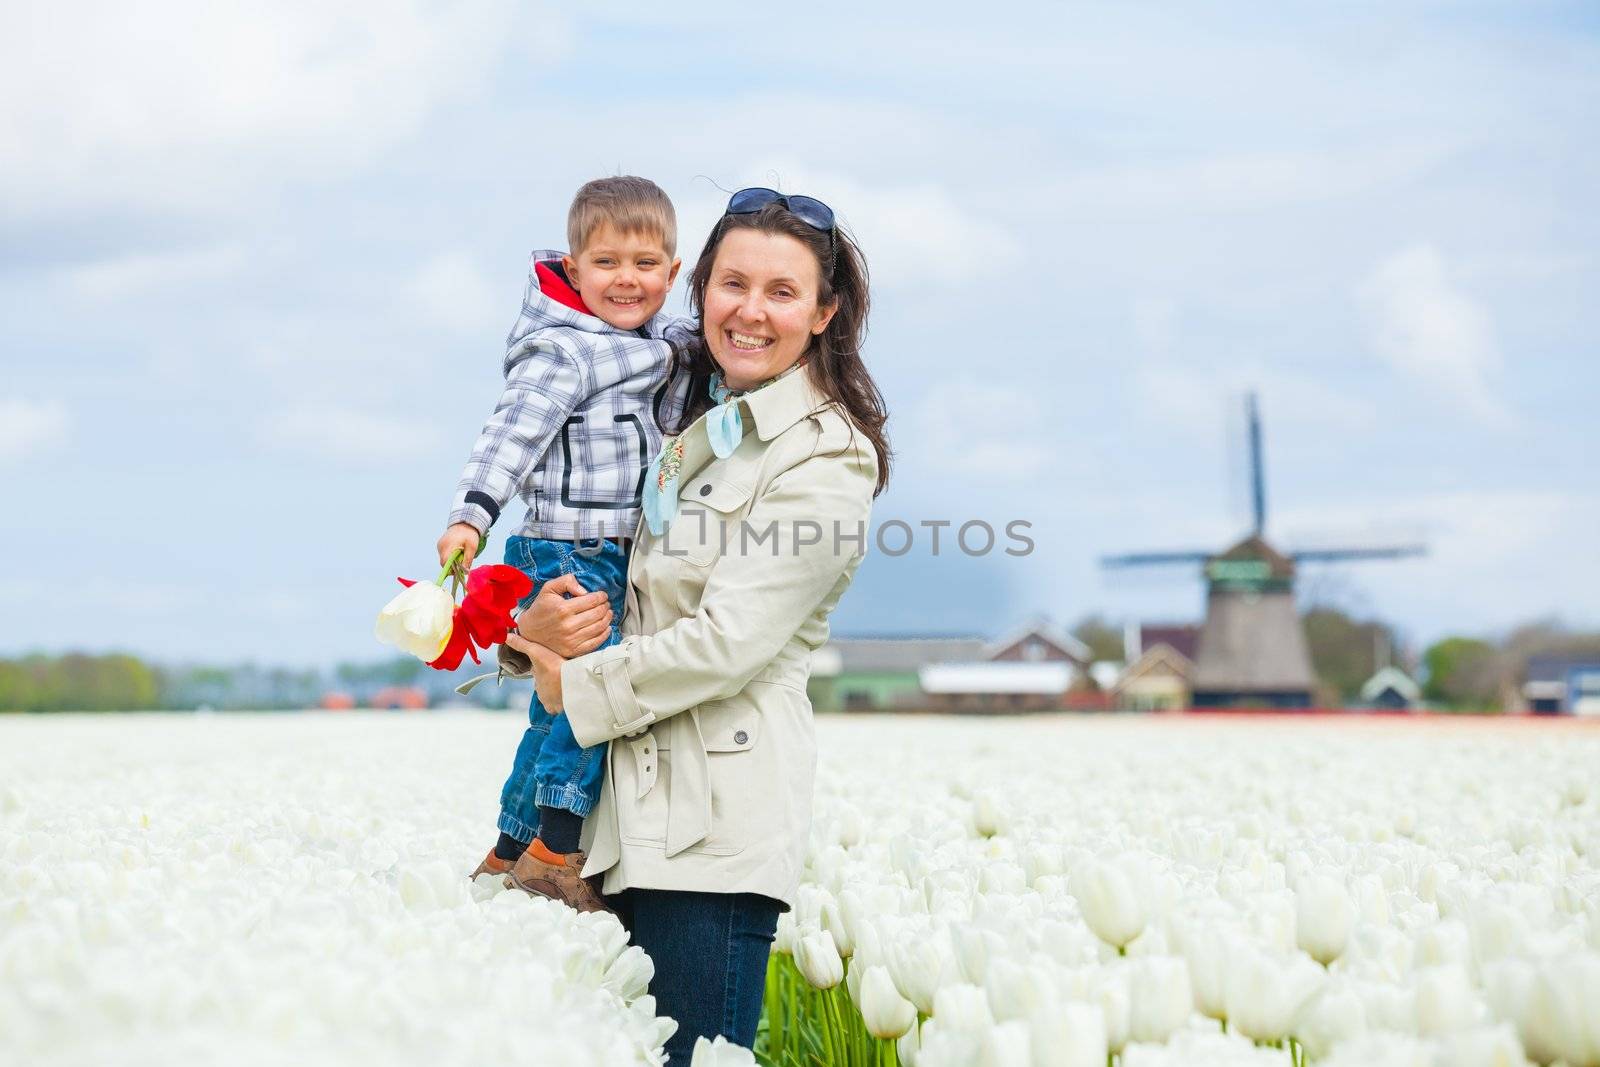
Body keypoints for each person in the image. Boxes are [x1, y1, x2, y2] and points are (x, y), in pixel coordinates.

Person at [505, 187, 890, 1060]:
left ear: (824, 313)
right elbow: (609, 593)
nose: (750, 311)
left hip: (708, 841)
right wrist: (533, 628)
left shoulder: (827, 456)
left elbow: (730, 642)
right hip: (607, 825)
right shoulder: (683, 422)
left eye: (782, 292)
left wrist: (578, 683)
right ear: (700, 291)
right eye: (731, 283)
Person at [436, 176, 683, 907]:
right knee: (590, 700)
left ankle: (508, 846)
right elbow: (509, 434)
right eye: (606, 263)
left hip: (600, 546)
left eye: (645, 264)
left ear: (673, 273)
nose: (626, 279)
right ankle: (556, 848)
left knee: (552, 708)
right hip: (570, 550)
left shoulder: (650, 345)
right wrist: (471, 515)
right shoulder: (565, 352)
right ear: (572, 271)